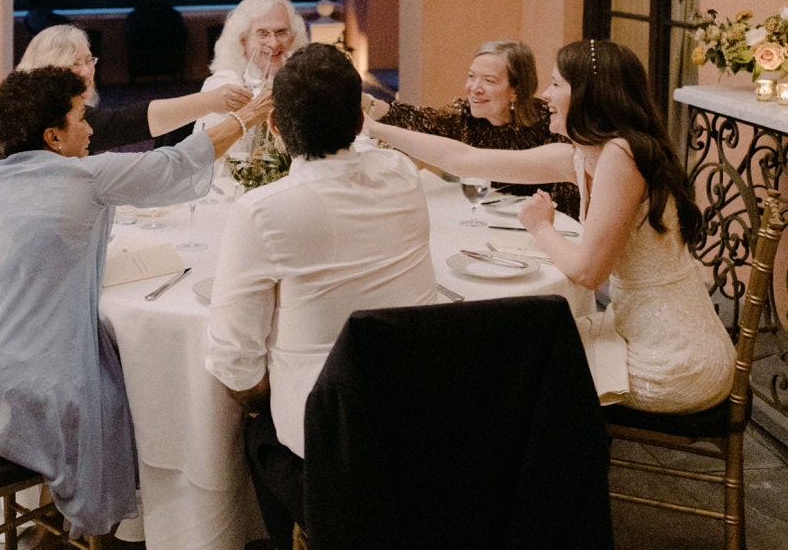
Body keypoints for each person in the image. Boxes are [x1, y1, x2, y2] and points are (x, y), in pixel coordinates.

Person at [0, 65, 271, 541]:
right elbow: (176, 163)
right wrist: (249, 116)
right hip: (9, 406)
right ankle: (166, 521)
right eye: (80, 118)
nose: (91, 128)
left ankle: (54, 524)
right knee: (122, 390)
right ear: (53, 136)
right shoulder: (85, 179)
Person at [367, 39, 736, 414]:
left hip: (675, 359)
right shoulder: (587, 154)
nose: (545, 94)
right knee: (521, 349)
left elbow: (589, 273)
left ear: (590, 95)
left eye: (557, 84)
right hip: (640, 330)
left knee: (517, 370)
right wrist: (373, 127)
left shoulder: (620, 156)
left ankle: (547, 466)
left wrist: (540, 227)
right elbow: (466, 159)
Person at [205, 44, 436, 550]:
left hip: (331, 444)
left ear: (275, 130)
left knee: (252, 426)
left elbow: (233, 359)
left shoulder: (264, 212)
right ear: (359, 122)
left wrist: (258, 398)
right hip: (424, 414)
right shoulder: (402, 176)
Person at [364, 39, 580, 217]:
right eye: (471, 77)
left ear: (516, 90)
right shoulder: (465, 115)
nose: (474, 89)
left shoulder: (551, 124)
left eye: (489, 80)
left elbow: (570, 206)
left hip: (543, 230)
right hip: (490, 224)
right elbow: (420, 120)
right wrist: (372, 105)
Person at [17, 23, 251, 155]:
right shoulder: (50, 120)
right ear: (48, 71)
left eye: (89, 61)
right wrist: (211, 101)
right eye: (75, 64)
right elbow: (127, 122)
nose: (87, 71)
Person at [195, 0, 308, 155]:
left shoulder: (300, 82)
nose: (274, 43)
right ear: (243, 41)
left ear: (293, 37)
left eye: (281, 32)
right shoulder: (224, 86)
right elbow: (205, 154)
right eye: (263, 34)